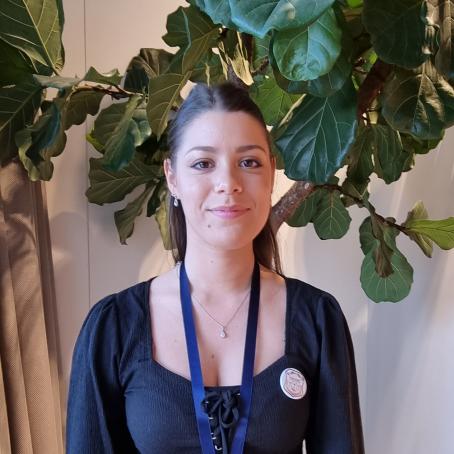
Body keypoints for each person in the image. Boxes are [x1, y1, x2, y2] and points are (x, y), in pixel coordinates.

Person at [66, 81, 365, 453]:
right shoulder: (113, 327)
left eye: (249, 162)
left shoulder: (317, 319)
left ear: (271, 174)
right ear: (172, 177)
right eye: (203, 164)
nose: (228, 183)